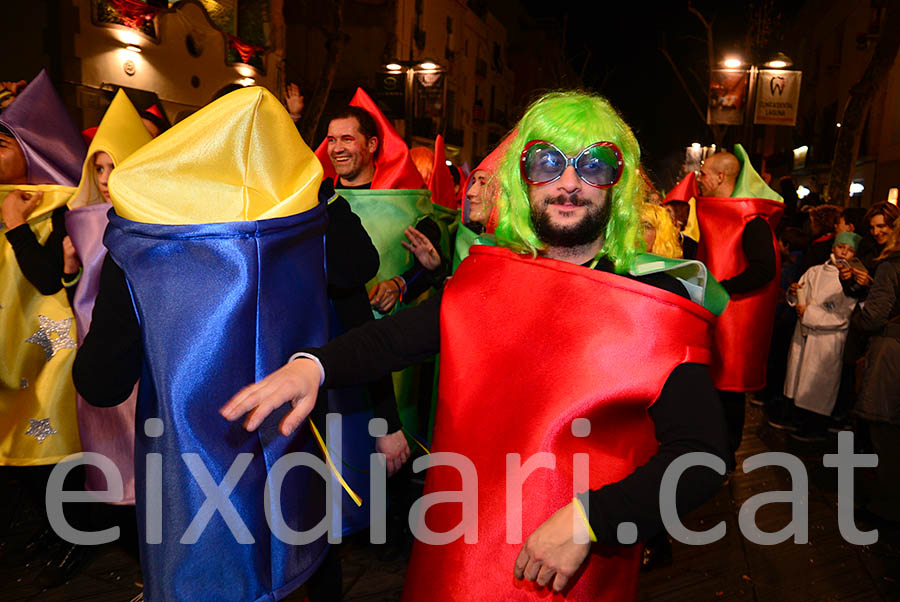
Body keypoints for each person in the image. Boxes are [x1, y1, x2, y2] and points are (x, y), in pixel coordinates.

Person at [222, 91, 729, 601]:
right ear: (522, 179)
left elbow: (703, 456)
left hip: (572, 576)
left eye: (594, 165)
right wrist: (312, 368)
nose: (569, 183)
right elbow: (396, 338)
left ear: (616, 187)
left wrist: (591, 520)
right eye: (548, 162)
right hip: (460, 560)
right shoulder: (488, 280)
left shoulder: (652, 306)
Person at [73, 87, 352, 601]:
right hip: (294, 476)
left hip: (192, 495)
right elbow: (360, 268)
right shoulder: (311, 227)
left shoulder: (142, 245)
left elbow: (102, 383)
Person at [696, 146, 782, 466]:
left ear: (720, 177)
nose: (699, 180)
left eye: (703, 173)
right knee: (715, 391)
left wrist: (719, 288)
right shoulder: (726, 214)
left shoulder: (751, 221)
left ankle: (725, 458)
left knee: (727, 392)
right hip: (717, 319)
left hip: (733, 325)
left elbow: (764, 270)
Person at [782, 232, 861, 440]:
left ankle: (815, 426)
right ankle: (797, 418)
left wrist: (808, 313)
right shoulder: (814, 271)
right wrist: (793, 293)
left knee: (819, 385)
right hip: (804, 335)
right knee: (799, 378)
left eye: (849, 249)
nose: (843, 252)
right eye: (840, 246)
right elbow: (801, 292)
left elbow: (843, 315)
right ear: (832, 248)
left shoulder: (851, 281)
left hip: (827, 339)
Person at [852, 218, 900, 523]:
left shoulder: (891, 265)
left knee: (887, 433)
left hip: (892, 355)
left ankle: (886, 506)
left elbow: (873, 317)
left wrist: (859, 310)